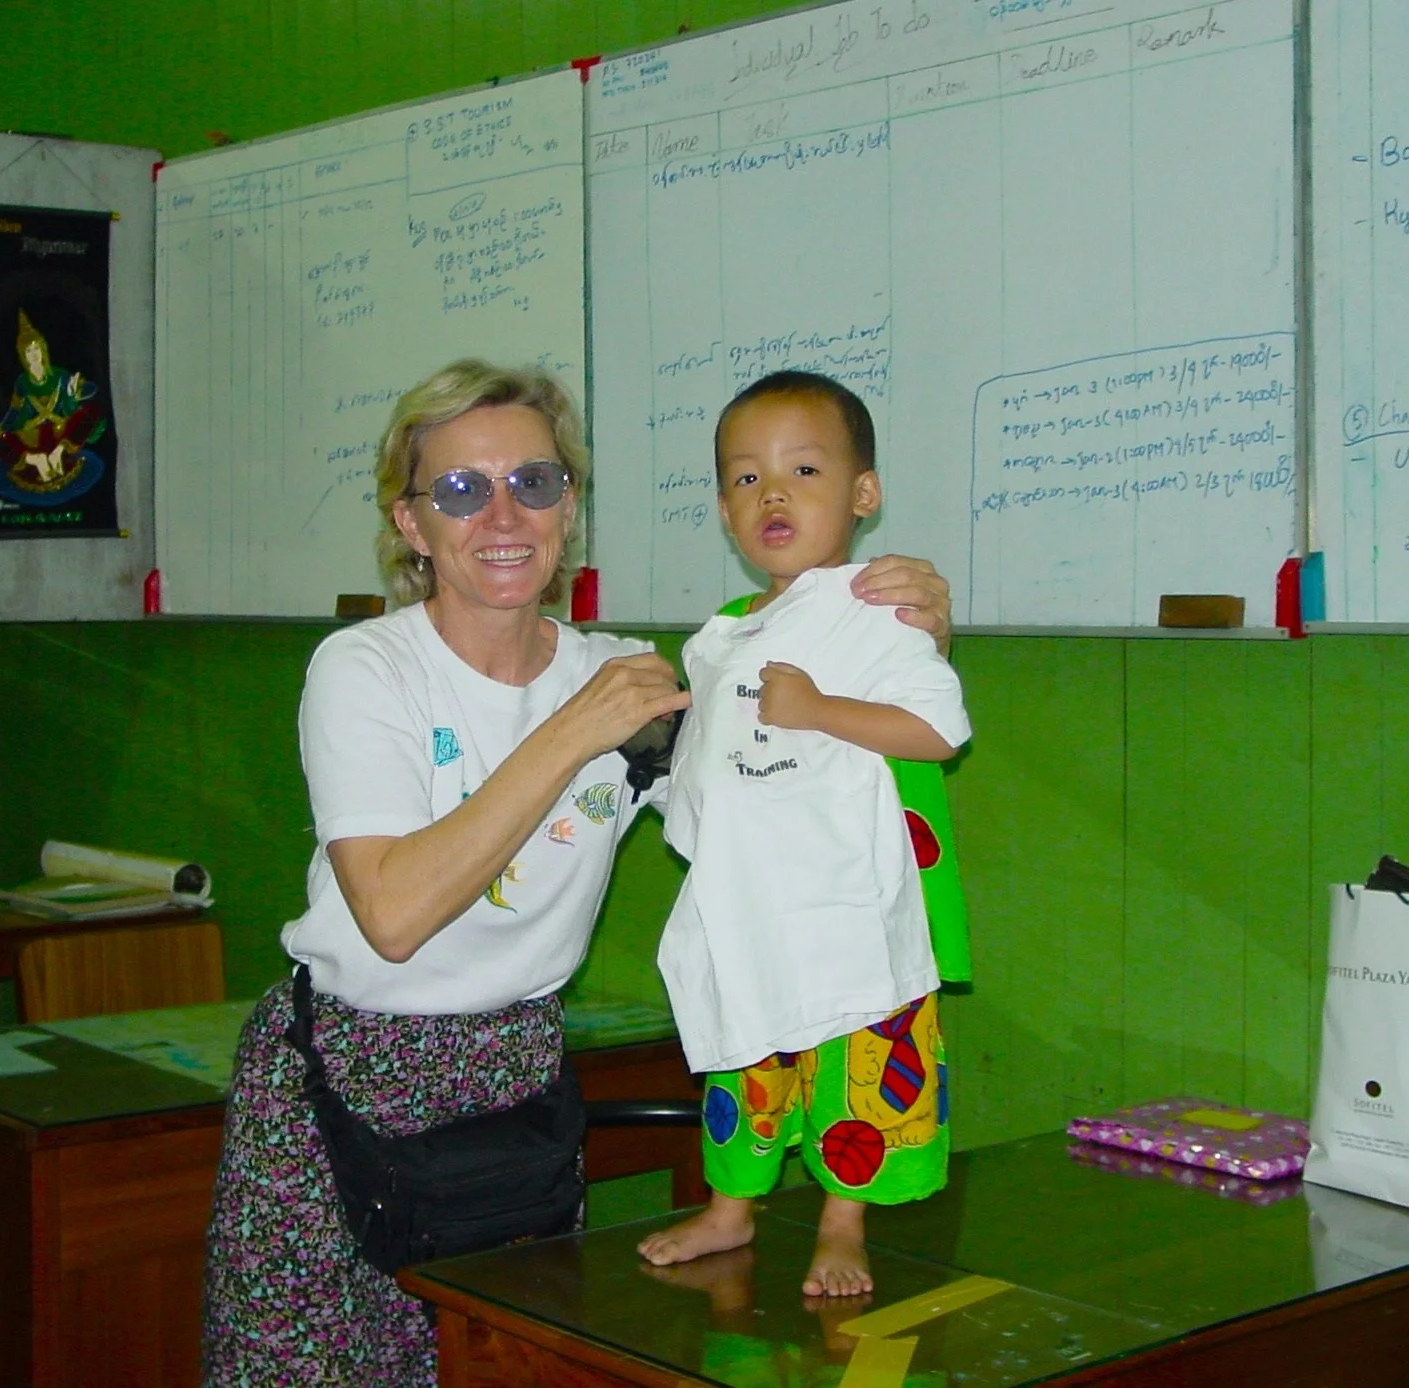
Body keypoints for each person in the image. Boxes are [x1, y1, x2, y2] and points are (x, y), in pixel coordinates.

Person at [199, 358, 955, 1385]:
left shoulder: (634, 678)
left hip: (515, 1083)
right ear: (411, 524)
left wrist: (902, 644)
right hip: (345, 1085)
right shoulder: (366, 667)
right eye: (460, 489)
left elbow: (782, 776)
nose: (502, 514)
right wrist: (569, 733)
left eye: (535, 482)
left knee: (497, 1366)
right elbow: (390, 912)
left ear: (569, 508)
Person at [639, 370, 972, 1299]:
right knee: (741, 1063)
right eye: (746, 480)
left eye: (804, 470)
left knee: (854, 1070)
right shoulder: (723, 635)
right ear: (721, 508)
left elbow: (939, 731)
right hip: (746, 906)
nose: (772, 495)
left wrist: (820, 708)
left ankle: (841, 1224)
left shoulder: (883, 608)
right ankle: (729, 1210)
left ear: (863, 494)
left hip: (846, 906)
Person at [0, 310, 104, 488]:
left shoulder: (60, 375)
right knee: (2, 441)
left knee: (92, 412)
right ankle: (36, 460)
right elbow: (14, 413)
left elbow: (72, 409)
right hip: (32, 436)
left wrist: (71, 395)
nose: (33, 354)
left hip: (59, 433)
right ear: (23, 355)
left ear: (43, 349)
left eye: (36, 348)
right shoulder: (22, 383)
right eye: (28, 350)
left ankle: (58, 453)